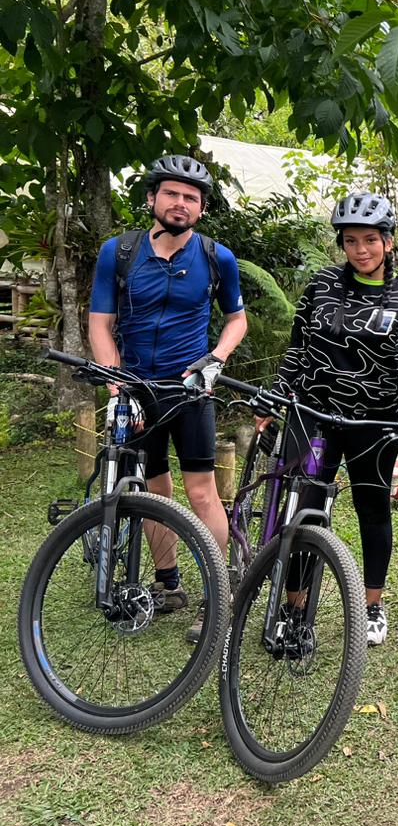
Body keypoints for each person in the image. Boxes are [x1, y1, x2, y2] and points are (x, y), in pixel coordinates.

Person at [88, 154, 247, 639]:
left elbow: (236, 318)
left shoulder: (217, 258)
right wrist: (116, 385)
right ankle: (168, 582)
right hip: (136, 389)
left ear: (201, 209)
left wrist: (215, 358)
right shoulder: (119, 252)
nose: (181, 204)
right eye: (172, 194)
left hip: (188, 391)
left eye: (191, 198)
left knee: (202, 492)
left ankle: (215, 594)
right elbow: (101, 325)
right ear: (153, 198)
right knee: (153, 490)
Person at [268, 193, 398, 646]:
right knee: (304, 509)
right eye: (350, 241)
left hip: (372, 423)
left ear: (388, 241)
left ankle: (372, 604)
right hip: (312, 414)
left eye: (370, 240)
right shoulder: (321, 285)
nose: (361, 250)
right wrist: (275, 399)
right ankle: (294, 605)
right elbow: (298, 351)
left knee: (373, 510)